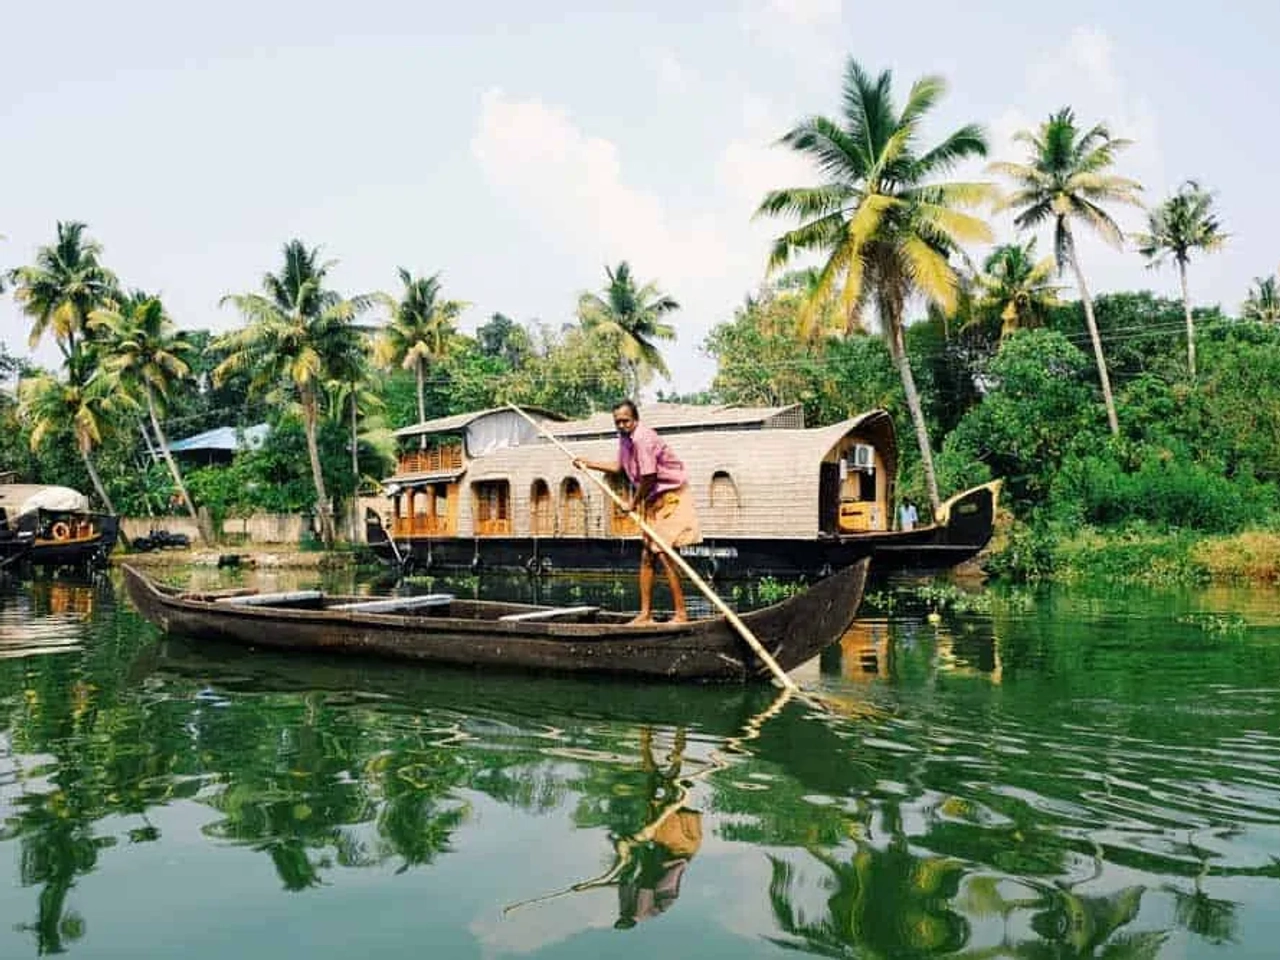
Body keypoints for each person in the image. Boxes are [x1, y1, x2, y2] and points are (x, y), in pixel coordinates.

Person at [573, 399, 702, 624]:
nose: (622, 425)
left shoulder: (643, 438)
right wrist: (588, 464)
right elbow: (619, 468)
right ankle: (645, 614)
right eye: (618, 422)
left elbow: (649, 477)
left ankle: (681, 614)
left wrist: (632, 504)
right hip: (653, 499)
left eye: (626, 421)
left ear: (636, 419)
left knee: (664, 552)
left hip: (671, 496)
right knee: (647, 555)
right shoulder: (625, 439)